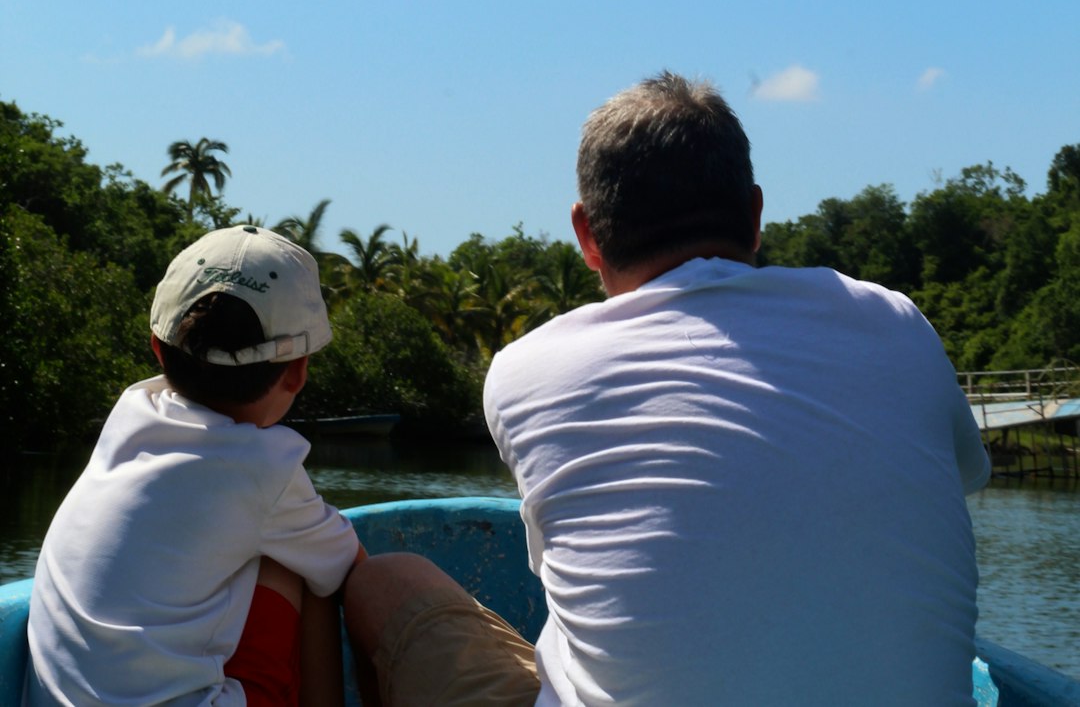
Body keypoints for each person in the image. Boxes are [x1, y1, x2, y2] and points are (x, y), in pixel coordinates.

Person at [345, 71, 990, 707]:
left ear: (587, 235)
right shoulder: (897, 324)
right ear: (756, 214)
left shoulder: (526, 372)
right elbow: (964, 476)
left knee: (385, 581)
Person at [25, 224, 364, 707]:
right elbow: (350, 567)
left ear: (158, 348)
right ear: (298, 371)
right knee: (304, 567)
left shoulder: (130, 414)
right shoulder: (265, 470)